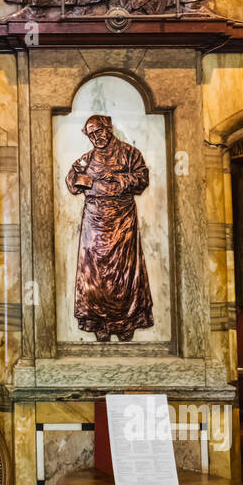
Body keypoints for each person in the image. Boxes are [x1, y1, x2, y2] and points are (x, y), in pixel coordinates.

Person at [65, 115, 153, 341]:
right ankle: (98, 321)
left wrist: (117, 178)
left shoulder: (129, 153)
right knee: (94, 273)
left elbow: (142, 178)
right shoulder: (87, 159)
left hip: (122, 220)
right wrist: (85, 181)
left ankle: (125, 322)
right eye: (91, 135)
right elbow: (72, 182)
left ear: (109, 128)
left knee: (124, 272)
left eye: (99, 132)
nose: (96, 138)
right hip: (94, 220)